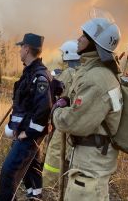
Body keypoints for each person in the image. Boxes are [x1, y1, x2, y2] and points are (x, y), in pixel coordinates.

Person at [52, 17, 123, 201]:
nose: (78, 38)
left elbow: (73, 122)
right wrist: (68, 99)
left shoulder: (97, 79)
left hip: (90, 166)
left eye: (84, 36)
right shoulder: (97, 73)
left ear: (95, 44)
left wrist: (56, 112)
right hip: (92, 160)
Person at [0, 33, 53, 201]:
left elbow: (44, 109)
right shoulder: (30, 73)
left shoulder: (40, 76)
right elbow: (23, 107)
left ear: (27, 49)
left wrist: (27, 133)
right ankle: (35, 197)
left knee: (8, 173)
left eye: (21, 47)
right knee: (32, 168)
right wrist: (15, 128)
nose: (19, 50)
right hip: (24, 132)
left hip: (30, 135)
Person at [43, 40, 80, 188]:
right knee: (70, 154)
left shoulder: (68, 73)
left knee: (55, 152)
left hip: (64, 121)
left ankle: (48, 185)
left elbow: (55, 92)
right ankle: (65, 185)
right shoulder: (82, 72)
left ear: (67, 54)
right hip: (76, 121)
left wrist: (54, 77)